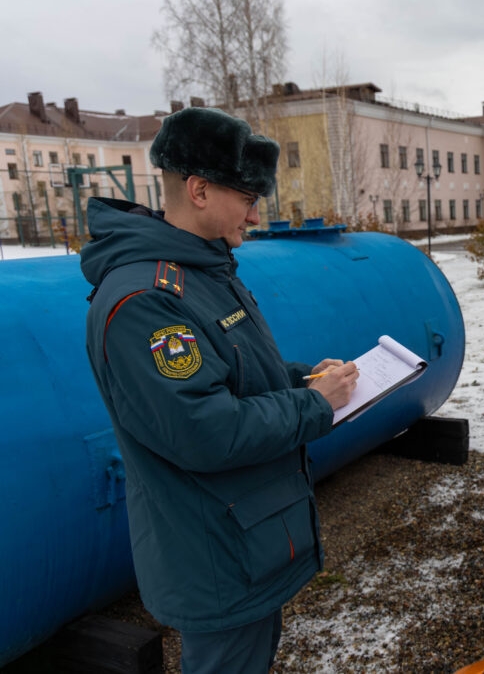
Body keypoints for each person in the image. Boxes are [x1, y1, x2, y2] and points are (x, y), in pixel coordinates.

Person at [81, 107, 359, 674]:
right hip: (215, 554)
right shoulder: (147, 301)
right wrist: (314, 404)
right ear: (200, 190)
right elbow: (205, 430)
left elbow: (236, 371)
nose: (256, 215)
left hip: (248, 541)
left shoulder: (205, 270)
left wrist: (304, 377)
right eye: (248, 199)